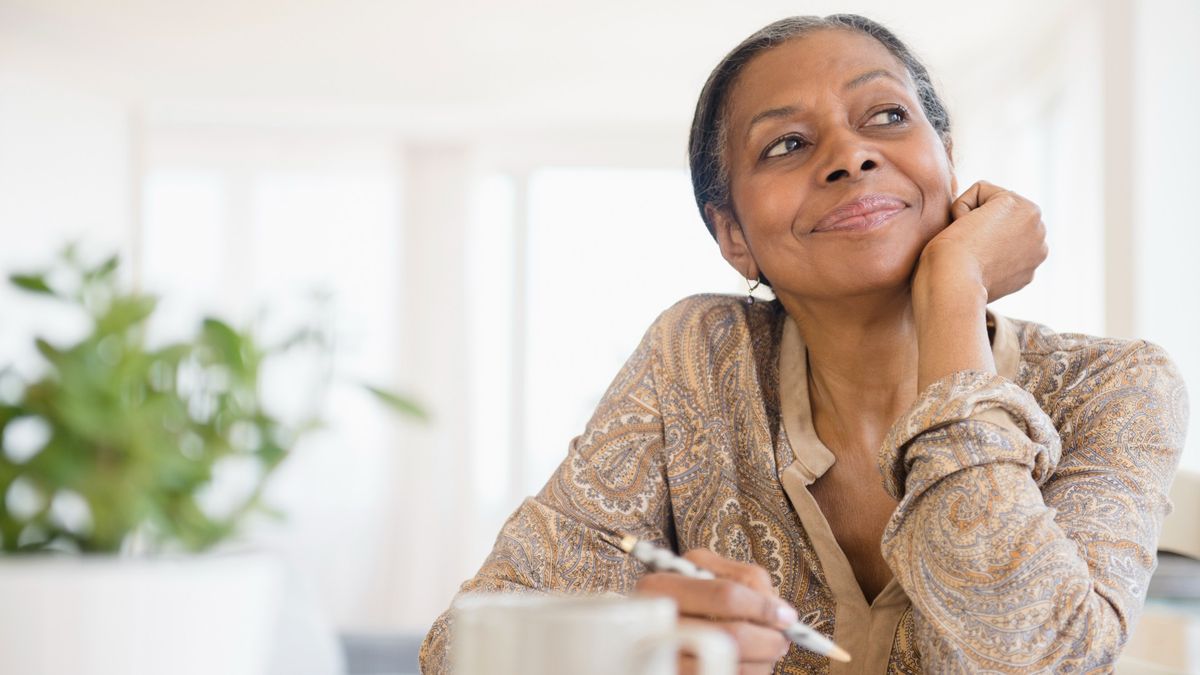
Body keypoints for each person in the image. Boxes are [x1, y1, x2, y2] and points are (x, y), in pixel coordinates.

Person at [419, 14, 1188, 674]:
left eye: (886, 115)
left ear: (946, 158)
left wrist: (955, 289)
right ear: (733, 238)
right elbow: (459, 649)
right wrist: (630, 640)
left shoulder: (1112, 384)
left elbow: (1037, 656)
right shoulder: (694, 357)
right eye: (786, 143)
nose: (850, 156)